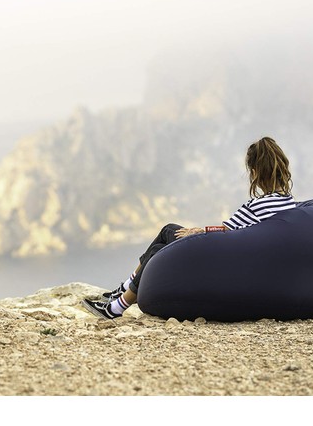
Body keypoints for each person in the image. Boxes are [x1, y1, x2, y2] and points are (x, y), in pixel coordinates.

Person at [81, 136, 297, 319]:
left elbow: (226, 230)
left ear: (255, 172)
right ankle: (122, 295)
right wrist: (201, 231)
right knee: (163, 239)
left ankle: (116, 307)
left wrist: (200, 231)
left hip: (222, 260)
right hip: (241, 261)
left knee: (163, 241)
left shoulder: (258, 205)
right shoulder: (288, 202)